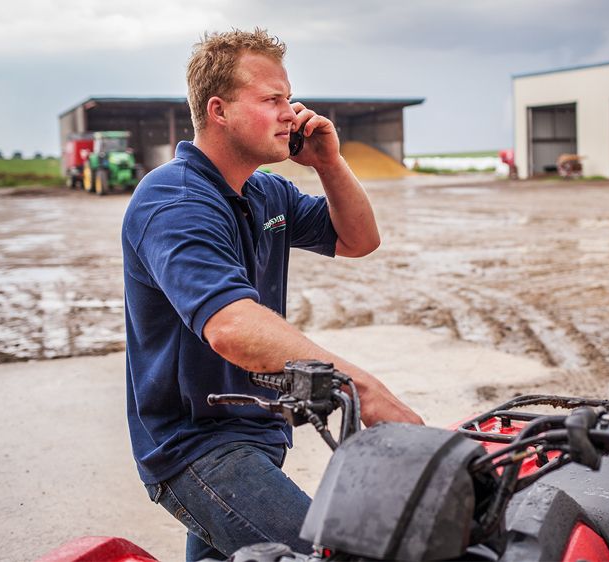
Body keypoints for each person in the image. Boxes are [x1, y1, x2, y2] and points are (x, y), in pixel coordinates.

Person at [121, 28, 423, 561]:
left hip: (256, 436)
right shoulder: (174, 200)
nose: (292, 112)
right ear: (219, 110)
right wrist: (366, 392)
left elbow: (359, 240)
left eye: (289, 97)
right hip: (199, 448)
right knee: (328, 553)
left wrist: (330, 163)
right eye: (272, 100)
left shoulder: (265, 191)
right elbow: (232, 327)